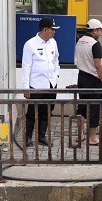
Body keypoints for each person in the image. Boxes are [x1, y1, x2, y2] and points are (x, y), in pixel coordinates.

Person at [20, 16, 60, 147]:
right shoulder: (30, 44)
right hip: (36, 85)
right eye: (52, 29)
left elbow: (56, 60)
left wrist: (56, 75)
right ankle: (27, 137)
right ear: (45, 30)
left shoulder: (53, 42)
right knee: (32, 112)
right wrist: (26, 87)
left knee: (47, 110)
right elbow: (26, 67)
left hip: (51, 84)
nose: (54, 32)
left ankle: (41, 136)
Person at [74, 18, 102, 147]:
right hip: (93, 79)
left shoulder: (80, 41)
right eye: (100, 30)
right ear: (95, 30)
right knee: (94, 108)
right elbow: (98, 66)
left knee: (82, 107)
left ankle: (79, 135)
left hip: (81, 77)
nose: (101, 33)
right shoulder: (95, 44)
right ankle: (92, 138)